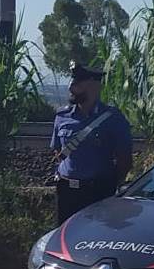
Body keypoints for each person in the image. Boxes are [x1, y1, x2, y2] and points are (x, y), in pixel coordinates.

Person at [49, 62, 134, 225]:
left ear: (94, 87)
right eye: (72, 83)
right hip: (67, 191)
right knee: (65, 237)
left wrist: (109, 185)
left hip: (98, 192)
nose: (71, 88)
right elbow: (58, 152)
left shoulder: (113, 118)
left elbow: (125, 159)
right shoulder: (62, 116)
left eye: (77, 84)